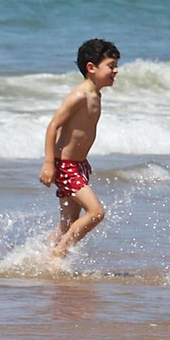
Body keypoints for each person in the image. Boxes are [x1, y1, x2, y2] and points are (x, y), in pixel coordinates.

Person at [39, 39, 120, 260]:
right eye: (111, 66)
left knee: (67, 223)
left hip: (77, 165)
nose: (116, 71)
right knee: (96, 213)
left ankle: (42, 258)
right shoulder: (79, 95)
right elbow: (53, 126)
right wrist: (48, 163)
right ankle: (58, 256)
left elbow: (80, 132)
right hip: (65, 166)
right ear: (91, 68)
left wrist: (82, 159)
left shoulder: (96, 95)